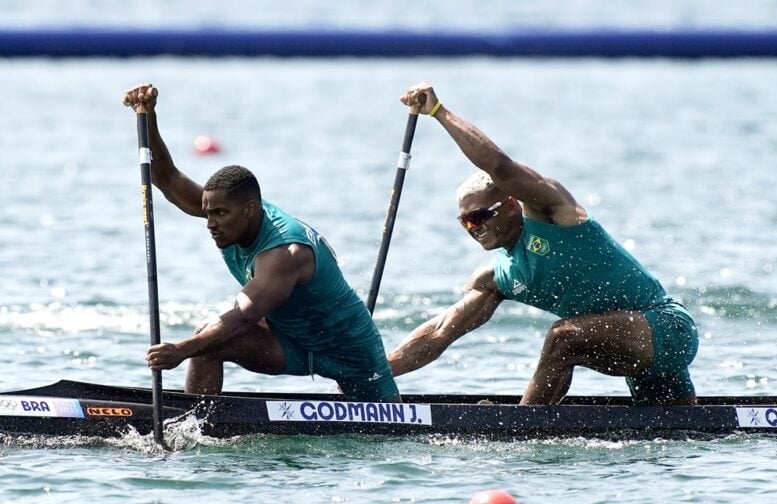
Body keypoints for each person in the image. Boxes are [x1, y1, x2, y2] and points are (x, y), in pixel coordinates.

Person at [388, 81, 698, 405]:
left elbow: (499, 166)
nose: (473, 228)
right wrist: (374, 374)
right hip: (632, 351)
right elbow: (439, 334)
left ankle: (521, 429)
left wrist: (438, 112)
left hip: (666, 327)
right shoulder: (497, 278)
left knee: (561, 338)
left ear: (511, 204)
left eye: (480, 216)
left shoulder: (551, 212)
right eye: (465, 221)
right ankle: (531, 423)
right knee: (679, 432)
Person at [122, 83, 399, 402]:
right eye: (207, 213)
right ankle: (192, 427)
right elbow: (167, 178)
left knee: (391, 428)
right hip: (290, 342)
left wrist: (179, 350)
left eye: (219, 214)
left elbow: (243, 317)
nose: (210, 223)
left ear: (251, 209)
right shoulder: (232, 216)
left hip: (350, 352)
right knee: (208, 343)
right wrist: (149, 117)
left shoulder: (284, 252)